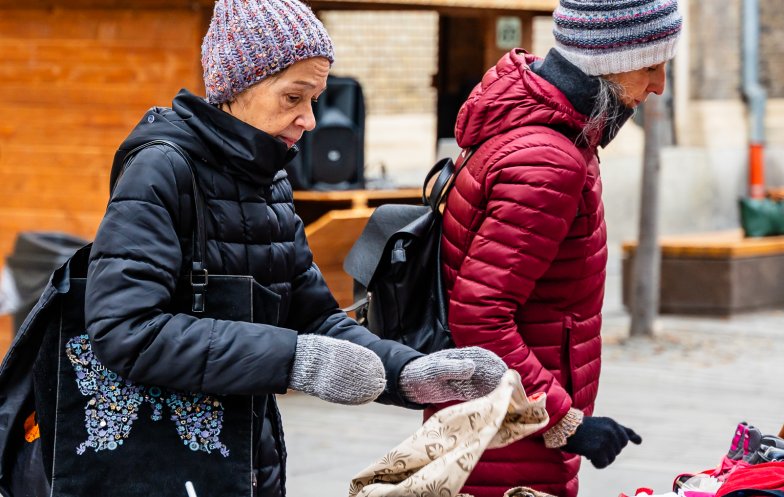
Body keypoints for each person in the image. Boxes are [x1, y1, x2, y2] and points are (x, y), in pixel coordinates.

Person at [80, 0, 507, 495]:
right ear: (235, 87)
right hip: (157, 463)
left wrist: (408, 373)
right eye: (293, 98)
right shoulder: (162, 170)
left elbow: (312, 318)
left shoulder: (272, 181)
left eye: (315, 99)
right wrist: (293, 359)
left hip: (248, 456)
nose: (308, 119)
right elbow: (125, 330)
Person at [429, 1, 684, 496]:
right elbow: (480, 316)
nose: (659, 86)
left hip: (499, 420)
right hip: (509, 437)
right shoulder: (549, 159)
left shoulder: (546, 127)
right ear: (607, 62)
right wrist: (566, 421)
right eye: (651, 66)